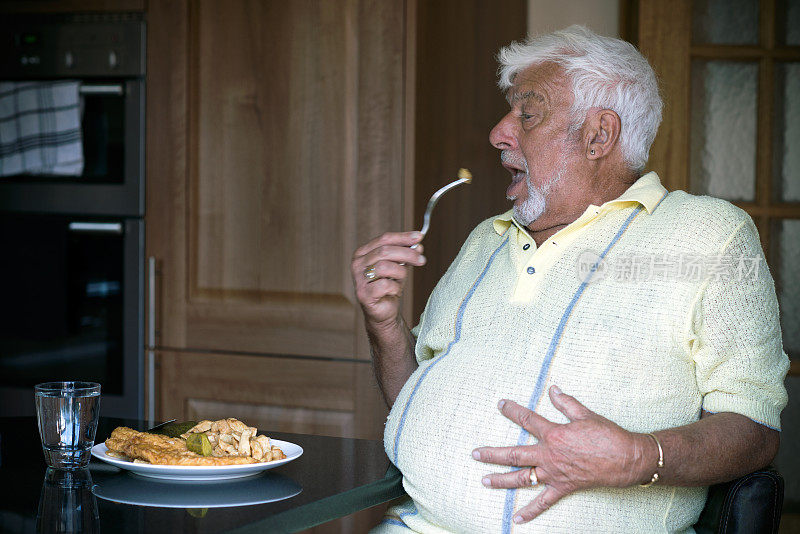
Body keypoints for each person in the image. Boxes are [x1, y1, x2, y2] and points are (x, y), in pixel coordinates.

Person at [351, 26, 788, 533]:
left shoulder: (709, 235)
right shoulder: (484, 241)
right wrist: (384, 326)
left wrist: (639, 456)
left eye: (527, 113)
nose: (498, 132)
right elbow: (415, 400)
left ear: (599, 135)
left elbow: (755, 429)